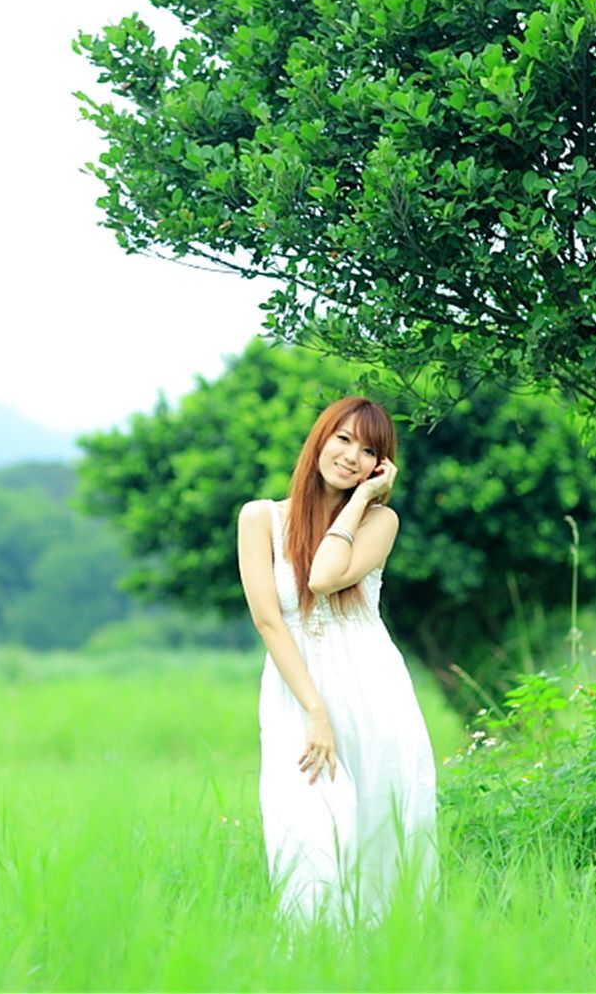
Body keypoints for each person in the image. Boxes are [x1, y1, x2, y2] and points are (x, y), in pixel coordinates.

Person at [237, 395, 437, 926]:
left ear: (380, 467)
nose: (352, 456)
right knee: (309, 839)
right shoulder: (259, 518)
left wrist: (363, 499)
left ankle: (388, 971)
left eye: (369, 451)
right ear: (321, 439)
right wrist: (314, 710)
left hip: (371, 689)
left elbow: (324, 577)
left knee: (380, 839)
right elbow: (268, 621)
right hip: (298, 694)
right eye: (343, 439)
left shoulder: (380, 522)